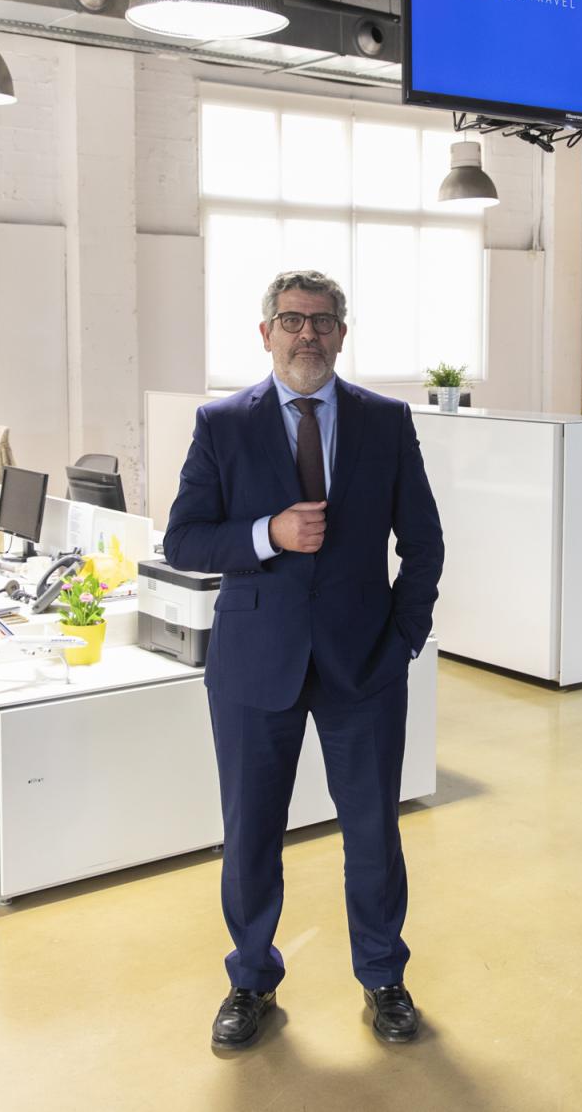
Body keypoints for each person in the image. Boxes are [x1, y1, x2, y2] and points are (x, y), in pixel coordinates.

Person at [165, 270, 444, 1052]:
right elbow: (184, 539)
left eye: (322, 321)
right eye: (291, 320)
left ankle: (383, 976)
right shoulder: (222, 424)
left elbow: (423, 541)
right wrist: (268, 535)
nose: (307, 334)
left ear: (342, 334)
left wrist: (404, 637)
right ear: (266, 333)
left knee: (373, 833)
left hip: (366, 663)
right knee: (251, 832)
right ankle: (250, 978)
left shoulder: (385, 420)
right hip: (256, 661)